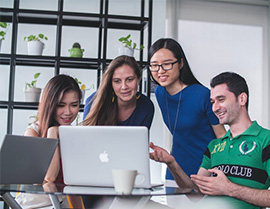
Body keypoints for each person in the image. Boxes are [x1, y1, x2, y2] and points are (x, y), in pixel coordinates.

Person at [150, 72, 270, 209]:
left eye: (221, 99)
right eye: (212, 102)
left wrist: (229, 189)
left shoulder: (265, 140)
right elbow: (195, 192)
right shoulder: (214, 146)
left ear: (242, 99)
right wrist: (171, 163)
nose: (215, 108)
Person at [148, 38, 226, 183]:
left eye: (167, 64)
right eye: (155, 66)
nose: (160, 71)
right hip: (175, 171)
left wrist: (220, 173)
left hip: (205, 171)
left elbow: (222, 137)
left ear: (181, 63)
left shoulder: (202, 95)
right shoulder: (160, 93)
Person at [15, 74, 83, 208]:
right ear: (50, 104)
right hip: (35, 206)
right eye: (61, 105)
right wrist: (52, 132)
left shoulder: (71, 135)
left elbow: (73, 186)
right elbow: (49, 177)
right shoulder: (32, 133)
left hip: (59, 205)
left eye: (74, 105)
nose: (68, 112)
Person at [83, 55, 154, 129]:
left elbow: (141, 139)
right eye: (117, 81)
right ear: (111, 83)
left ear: (139, 78)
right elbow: (86, 138)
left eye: (129, 79)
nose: (124, 87)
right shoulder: (93, 102)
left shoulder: (146, 106)